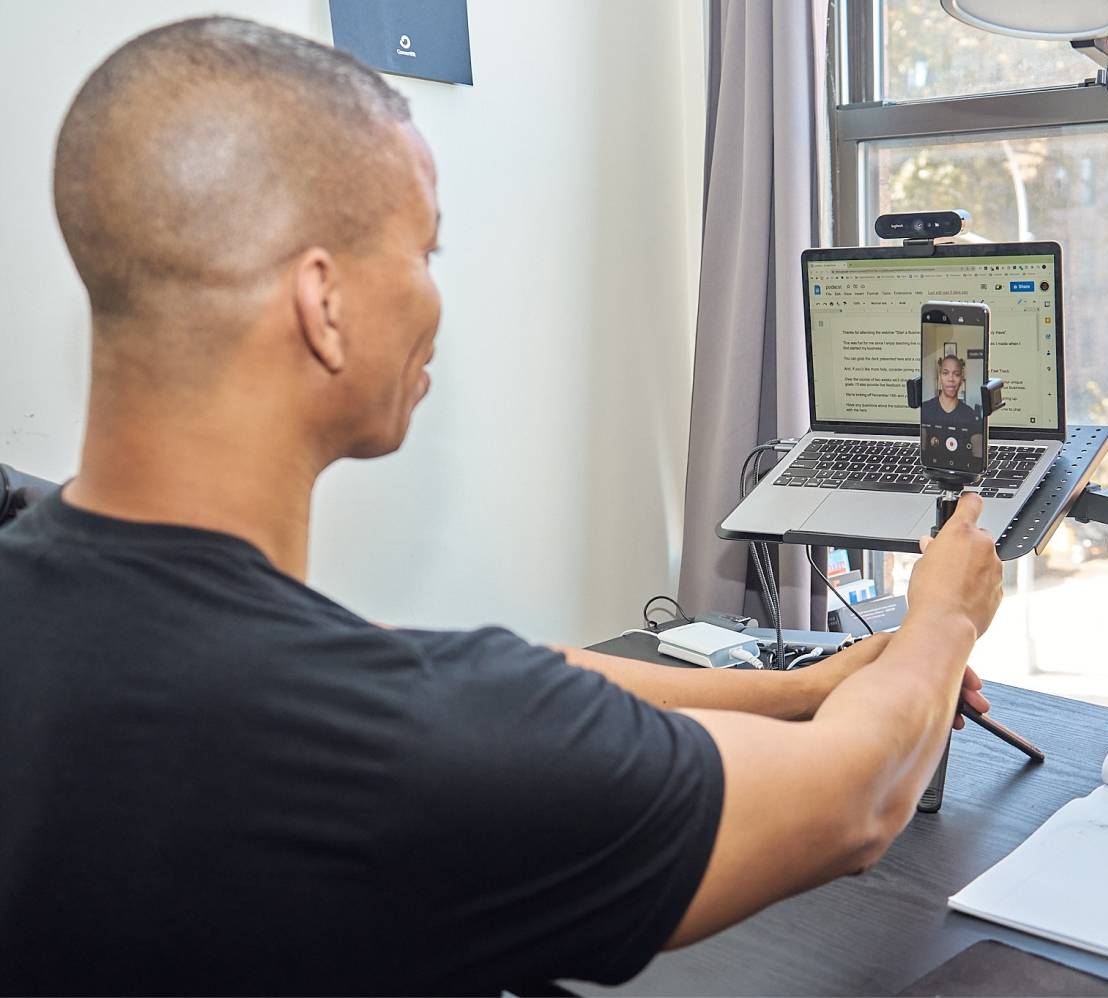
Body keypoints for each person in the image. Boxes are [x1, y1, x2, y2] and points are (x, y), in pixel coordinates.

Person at [0, 17, 1003, 995]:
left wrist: (795, 686)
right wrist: (942, 616)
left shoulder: (60, 574)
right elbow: (855, 795)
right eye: (424, 251)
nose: (438, 298)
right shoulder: (393, 743)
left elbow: (400, 650)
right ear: (325, 300)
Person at [921, 353, 981, 428]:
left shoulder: (970, 415)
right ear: (939, 378)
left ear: (961, 380)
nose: (951, 379)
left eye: (956, 374)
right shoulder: (924, 410)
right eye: (945, 373)